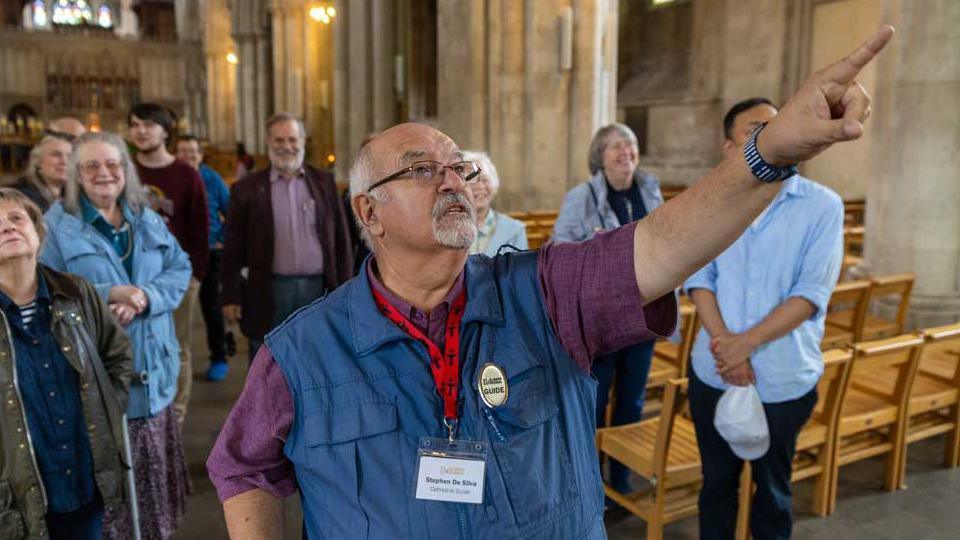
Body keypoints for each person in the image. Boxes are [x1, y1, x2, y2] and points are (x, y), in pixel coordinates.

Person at [206, 27, 892, 539]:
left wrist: (769, 153)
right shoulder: (302, 351)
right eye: (421, 169)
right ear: (368, 211)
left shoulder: (546, 292)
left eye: (459, 168)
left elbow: (661, 245)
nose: (452, 179)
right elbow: (243, 467)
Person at [683, 97, 845, 539]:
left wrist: (746, 344)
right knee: (716, 486)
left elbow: (810, 294)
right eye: (756, 129)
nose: (772, 137)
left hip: (782, 376)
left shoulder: (822, 206)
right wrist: (726, 347)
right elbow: (701, 278)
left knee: (773, 492)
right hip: (715, 372)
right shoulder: (712, 200)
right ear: (729, 148)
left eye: (777, 127)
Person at [41, 132, 192, 540]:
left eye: (113, 164)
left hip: (155, 377)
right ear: (76, 174)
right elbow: (46, 292)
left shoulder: (146, 216)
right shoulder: (57, 227)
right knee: (113, 507)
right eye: (91, 165)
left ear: (126, 170)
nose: (104, 173)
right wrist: (108, 297)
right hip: (101, 382)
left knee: (155, 504)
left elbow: (180, 268)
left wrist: (144, 296)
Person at [0, 188, 133, 540]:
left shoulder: (76, 292)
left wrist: (108, 407)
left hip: (84, 479)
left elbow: (116, 354)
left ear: (38, 232)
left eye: (17, 218)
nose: (7, 227)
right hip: (15, 493)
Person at [552, 123, 664, 496]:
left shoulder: (649, 189)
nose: (626, 152)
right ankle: (590, 478)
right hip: (601, 318)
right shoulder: (580, 196)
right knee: (595, 400)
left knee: (632, 399)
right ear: (600, 156)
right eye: (616, 146)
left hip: (644, 314)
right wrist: (597, 249)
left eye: (630, 144)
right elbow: (560, 249)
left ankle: (622, 474)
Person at [221, 113, 353, 360]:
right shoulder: (246, 189)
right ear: (268, 142)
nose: (286, 147)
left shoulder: (325, 182)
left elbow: (341, 242)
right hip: (268, 289)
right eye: (279, 140)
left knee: (318, 360)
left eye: (292, 139)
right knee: (268, 362)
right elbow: (233, 248)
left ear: (303, 141)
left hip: (319, 290)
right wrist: (230, 295)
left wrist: (346, 291)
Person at [127, 103, 208, 425]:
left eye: (148, 124)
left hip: (175, 277)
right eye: (134, 125)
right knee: (134, 344)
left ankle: (176, 411)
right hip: (131, 277)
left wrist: (197, 276)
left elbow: (200, 228)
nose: (141, 130)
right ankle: (142, 407)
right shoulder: (124, 170)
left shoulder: (185, 173)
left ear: (164, 130)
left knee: (176, 345)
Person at [175, 134, 232, 382]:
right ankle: (175, 363)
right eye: (183, 152)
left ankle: (219, 357)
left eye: (193, 151)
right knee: (177, 313)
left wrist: (224, 239)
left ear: (200, 155)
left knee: (212, 308)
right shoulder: (172, 178)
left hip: (210, 252)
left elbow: (231, 211)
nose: (188, 156)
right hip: (176, 258)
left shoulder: (211, 178)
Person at [461, 150, 528, 256]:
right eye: (471, 180)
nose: (480, 187)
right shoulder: (445, 228)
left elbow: (522, 271)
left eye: (485, 180)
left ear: (494, 184)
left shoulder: (515, 230)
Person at [6, 135, 72, 212]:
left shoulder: (71, 196)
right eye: (56, 155)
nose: (64, 161)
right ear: (38, 162)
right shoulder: (20, 196)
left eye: (70, 156)